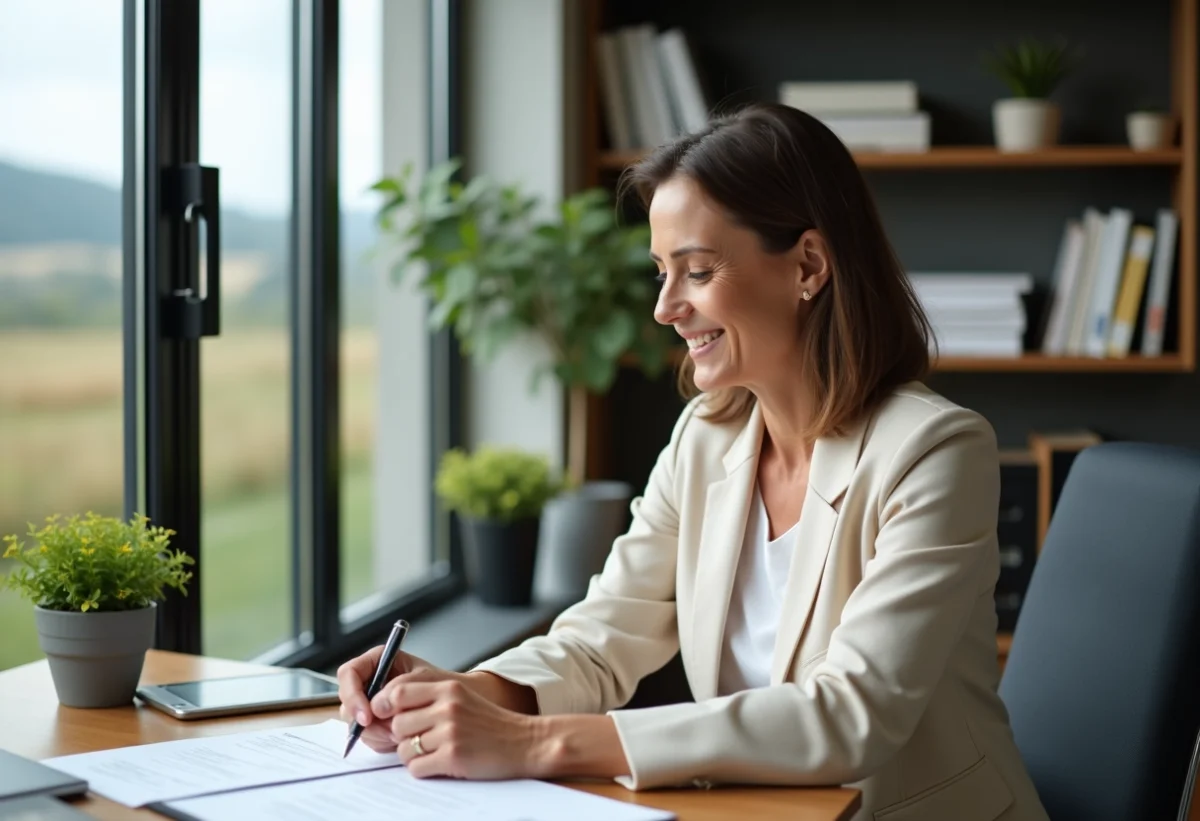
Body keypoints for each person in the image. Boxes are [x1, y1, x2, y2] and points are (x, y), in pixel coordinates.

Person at [337, 102, 1050, 821]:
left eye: (698, 271)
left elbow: (848, 716)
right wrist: (459, 696)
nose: (665, 308)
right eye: (661, 273)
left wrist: (534, 740)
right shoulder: (705, 438)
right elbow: (600, 638)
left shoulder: (935, 451)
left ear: (807, 266)